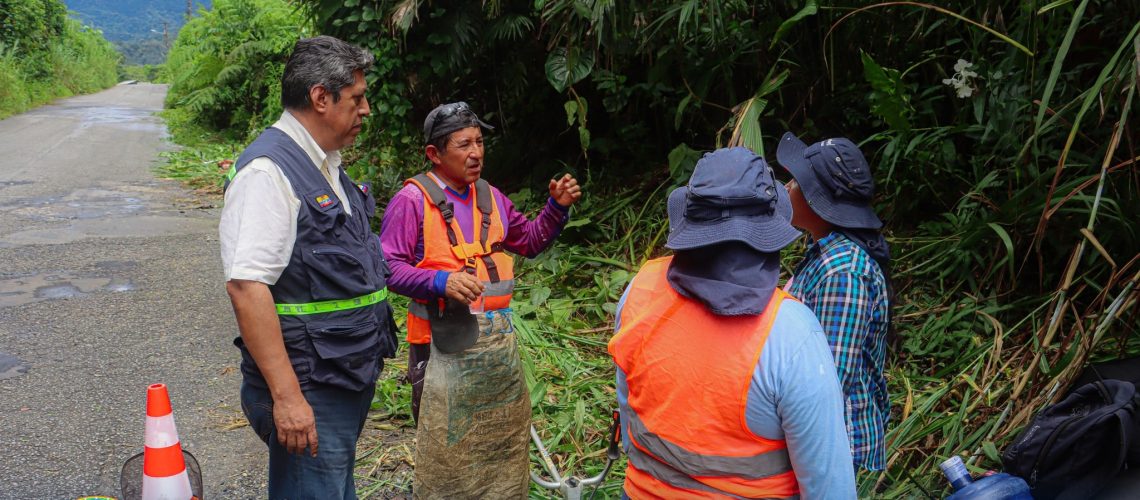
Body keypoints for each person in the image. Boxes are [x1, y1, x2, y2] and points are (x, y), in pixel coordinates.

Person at [608, 147, 856, 499]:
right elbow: (830, 487)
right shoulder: (792, 333)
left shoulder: (640, 289)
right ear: (768, 232)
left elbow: (627, 410)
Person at [219, 35, 397, 498]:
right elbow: (247, 287)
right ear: (321, 97)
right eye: (357, 98)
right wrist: (288, 398)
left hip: (341, 376)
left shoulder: (327, 165)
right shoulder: (268, 174)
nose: (366, 110)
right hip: (310, 386)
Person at [379, 101, 581, 497]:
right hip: (438, 345)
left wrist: (556, 208)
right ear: (434, 154)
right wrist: (440, 282)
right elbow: (387, 269)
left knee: (497, 443)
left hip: (496, 346)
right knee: (448, 450)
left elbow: (530, 241)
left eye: (480, 142)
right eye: (464, 144)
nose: (476, 153)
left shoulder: (490, 197)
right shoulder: (412, 201)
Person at [775, 132, 893, 472]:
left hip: (838, 450)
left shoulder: (843, 272)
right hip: (819, 442)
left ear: (817, 199)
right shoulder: (825, 252)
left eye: (795, 182)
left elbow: (828, 380)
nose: (786, 188)